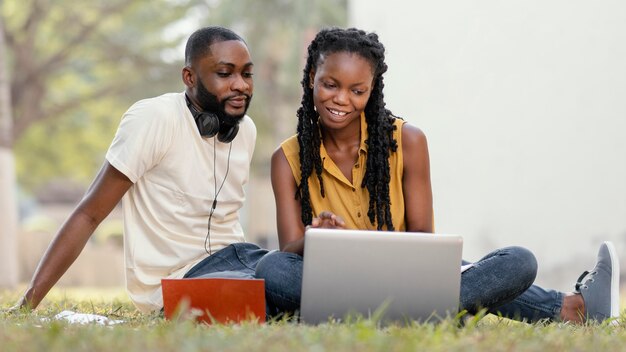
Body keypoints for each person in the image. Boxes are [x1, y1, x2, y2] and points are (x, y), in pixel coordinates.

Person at [254, 27, 620, 324]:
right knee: (271, 269)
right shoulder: (286, 159)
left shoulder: (407, 141)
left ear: (372, 90)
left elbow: (423, 243)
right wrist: (317, 235)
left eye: (357, 90)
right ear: (311, 80)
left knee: (519, 261)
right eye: (329, 85)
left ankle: (399, 312)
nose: (341, 99)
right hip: (336, 281)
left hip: (409, 276)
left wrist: (392, 271)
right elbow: (289, 251)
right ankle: (567, 308)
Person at [13, 26, 270, 314]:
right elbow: (89, 214)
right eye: (225, 73)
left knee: (283, 269)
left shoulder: (245, 130)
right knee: (279, 283)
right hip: (180, 281)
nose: (241, 85)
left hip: (241, 261)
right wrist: (26, 304)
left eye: (247, 74)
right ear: (189, 77)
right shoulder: (154, 118)